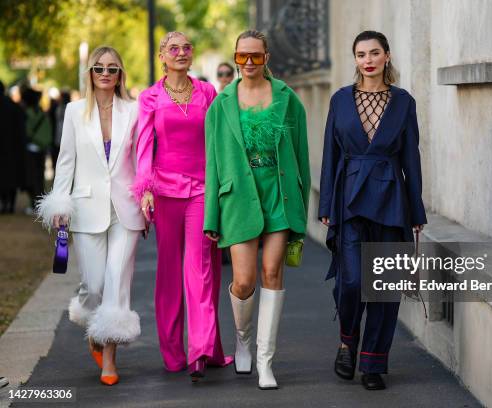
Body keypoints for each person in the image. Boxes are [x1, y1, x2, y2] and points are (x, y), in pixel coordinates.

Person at [318, 30, 427, 391]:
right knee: (352, 281)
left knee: (383, 285)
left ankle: (373, 364)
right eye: (361, 53)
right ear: (355, 59)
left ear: (387, 56)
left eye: (374, 52)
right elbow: (330, 155)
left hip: (392, 200)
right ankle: (347, 340)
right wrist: (325, 205)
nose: (368, 59)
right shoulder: (340, 101)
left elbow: (411, 156)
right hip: (348, 198)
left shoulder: (403, 102)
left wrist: (416, 210)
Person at [204, 29, 311, 390]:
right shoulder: (221, 105)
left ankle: (266, 362)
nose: (249, 63)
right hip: (238, 199)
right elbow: (213, 166)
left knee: (272, 273)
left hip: (278, 194)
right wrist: (211, 217)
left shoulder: (287, 98)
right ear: (235, 58)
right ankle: (243, 337)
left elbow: (301, 155)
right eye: (242, 57)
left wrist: (302, 208)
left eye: (256, 56)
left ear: (267, 58)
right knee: (244, 280)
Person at [36, 46, 144, 386]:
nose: (106, 74)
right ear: (90, 73)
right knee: (94, 285)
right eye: (99, 68)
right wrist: (59, 204)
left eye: (112, 68)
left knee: (116, 282)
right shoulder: (73, 111)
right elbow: (66, 160)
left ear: (120, 73)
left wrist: (147, 196)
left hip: (125, 209)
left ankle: (109, 358)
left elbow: (142, 161)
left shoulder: (134, 110)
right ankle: (94, 325)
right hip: (85, 208)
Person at [133, 31, 232, 381]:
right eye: (173, 48)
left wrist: (223, 186)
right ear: (162, 55)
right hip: (164, 190)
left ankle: (202, 350)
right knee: (170, 272)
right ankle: (173, 353)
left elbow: (219, 140)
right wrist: (144, 188)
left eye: (187, 47)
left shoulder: (207, 92)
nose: (181, 52)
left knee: (201, 266)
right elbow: (144, 145)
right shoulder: (149, 97)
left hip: (203, 189)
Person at [22, 87, 52, 214]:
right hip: (41, 149)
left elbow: (24, 131)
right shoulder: (42, 113)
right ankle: (40, 205)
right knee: (40, 178)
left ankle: (33, 204)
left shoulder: (25, 113)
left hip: (29, 150)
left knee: (30, 178)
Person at [0, 81, 26, 214]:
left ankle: (3, 204)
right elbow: (21, 130)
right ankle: (10, 205)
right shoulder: (14, 107)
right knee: (12, 178)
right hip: (13, 149)